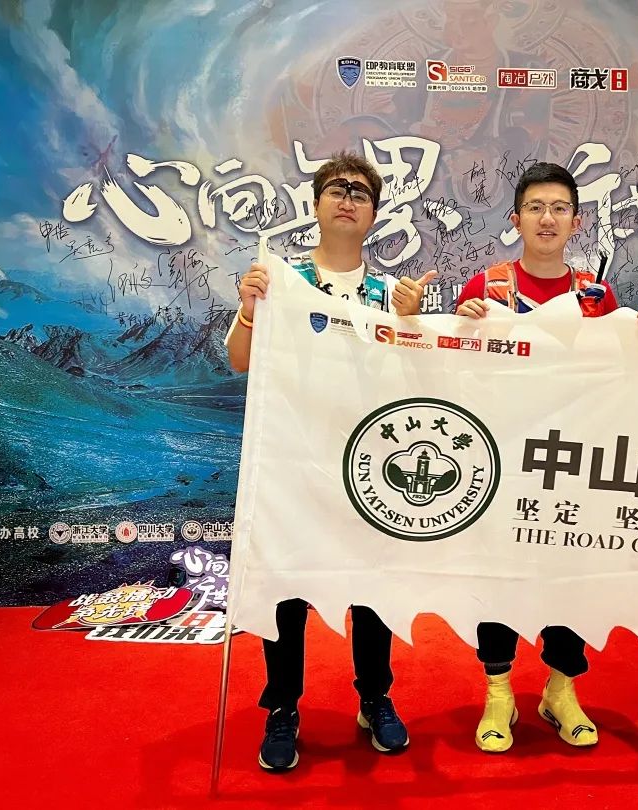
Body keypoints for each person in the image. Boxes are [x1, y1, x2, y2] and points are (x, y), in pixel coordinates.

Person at [227, 151, 435, 772]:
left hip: (368, 466)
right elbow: (239, 360)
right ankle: (282, 707)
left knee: (371, 584)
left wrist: (412, 325)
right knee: (286, 591)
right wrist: (249, 310)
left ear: (374, 213)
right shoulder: (281, 280)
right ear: (316, 204)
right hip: (294, 465)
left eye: (361, 192)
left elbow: (421, 384)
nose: (348, 198)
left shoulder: (390, 295)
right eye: (337, 189)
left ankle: (375, 697)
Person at [455, 162, 638, 752]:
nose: (547, 218)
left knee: (572, 576)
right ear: (516, 219)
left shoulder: (597, 295)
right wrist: (460, 329)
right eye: (535, 208)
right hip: (501, 461)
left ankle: (560, 689)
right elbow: (453, 375)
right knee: (498, 577)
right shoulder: (485, 289)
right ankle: (499, 692)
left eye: (559, 208)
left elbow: (620, 378)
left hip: (574, 462)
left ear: (576, 222)